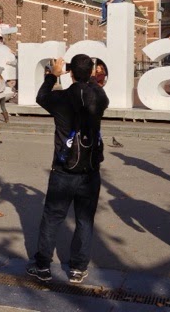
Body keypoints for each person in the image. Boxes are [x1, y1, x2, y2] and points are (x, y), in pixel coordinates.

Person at [27, 54, 109, 284]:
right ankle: (78, 268)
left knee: (52, 217)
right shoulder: (99, 97)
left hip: (64, 168)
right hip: (90, 170)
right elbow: (94, 87)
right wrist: (87, 76)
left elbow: (41, 97)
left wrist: (53, 75)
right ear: (91, 73)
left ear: (70, 73)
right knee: (85, 220)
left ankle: (43, 266)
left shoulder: (61, 98)